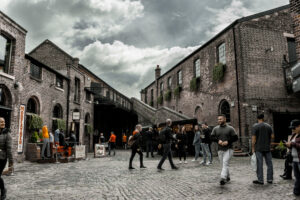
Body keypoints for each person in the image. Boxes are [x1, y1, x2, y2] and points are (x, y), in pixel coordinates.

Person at [211, 114, 238, 185]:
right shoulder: (215, 129)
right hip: (220, 149)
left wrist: (228, 142)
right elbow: (212, 137)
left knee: (225, 162)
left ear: (225, 119)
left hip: (229, 149)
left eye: (220, 119)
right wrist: (218, 141)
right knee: (223, 164)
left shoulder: (230, 128)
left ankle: (223, 178)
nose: (219, 120)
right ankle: (228, 176)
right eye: (218, 119)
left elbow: (235, 138)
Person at [252, 113, 274, 185]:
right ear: (263, 118)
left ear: (257, 119)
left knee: (259, 164)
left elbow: (253, 139)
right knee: (269, 164)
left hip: (258, 148)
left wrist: (252, 148)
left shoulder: (255, 126)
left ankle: (260, 180)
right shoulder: (269, 126)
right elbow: (273, 136)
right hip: (267, 147)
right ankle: (270, 179)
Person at [286, 119, 300, 196]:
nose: (292, 129)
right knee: (297, 177)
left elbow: (296, 145)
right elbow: (293, 146)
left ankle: (296, 191)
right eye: (292, 128)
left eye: (294, 128)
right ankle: (297, 191)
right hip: (295, 159)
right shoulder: (295, 135)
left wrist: (292, 144)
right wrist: (289, 145)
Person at [0, 117, 13, 200]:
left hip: (2, 158)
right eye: (1, 122)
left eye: (4, 121)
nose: (3, 123)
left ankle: (3, 191)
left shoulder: (7, 133)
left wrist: (11, 161)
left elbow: (9, 148)